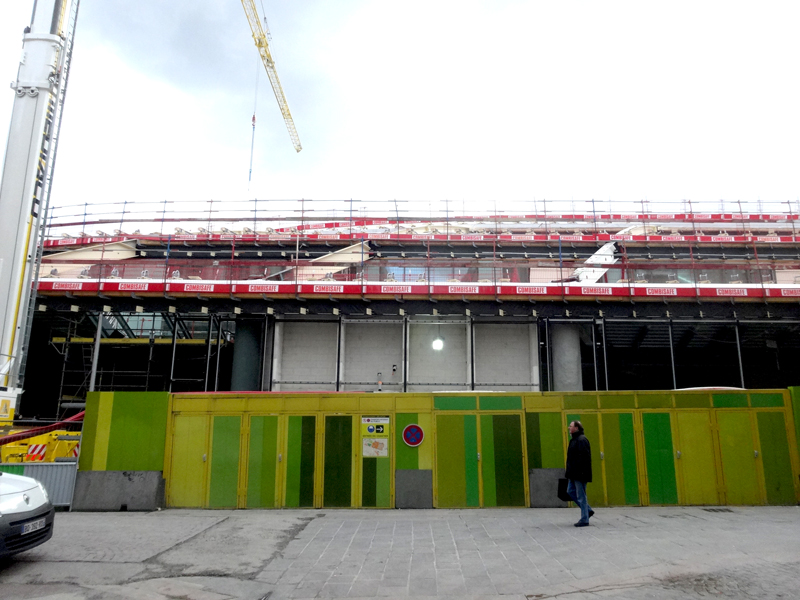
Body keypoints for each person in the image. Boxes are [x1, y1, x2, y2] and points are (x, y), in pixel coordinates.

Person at [566, 420, 594, 527]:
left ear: (576, 428)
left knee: (581, 496)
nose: (569, 428)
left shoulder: (582, 440)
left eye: (571, 426)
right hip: (573, 473)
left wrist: (582, 473)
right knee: (570, 491)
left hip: (579, 473)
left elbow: (584, 459)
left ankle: (584, 519)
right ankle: (588, 510)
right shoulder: (574, 440)